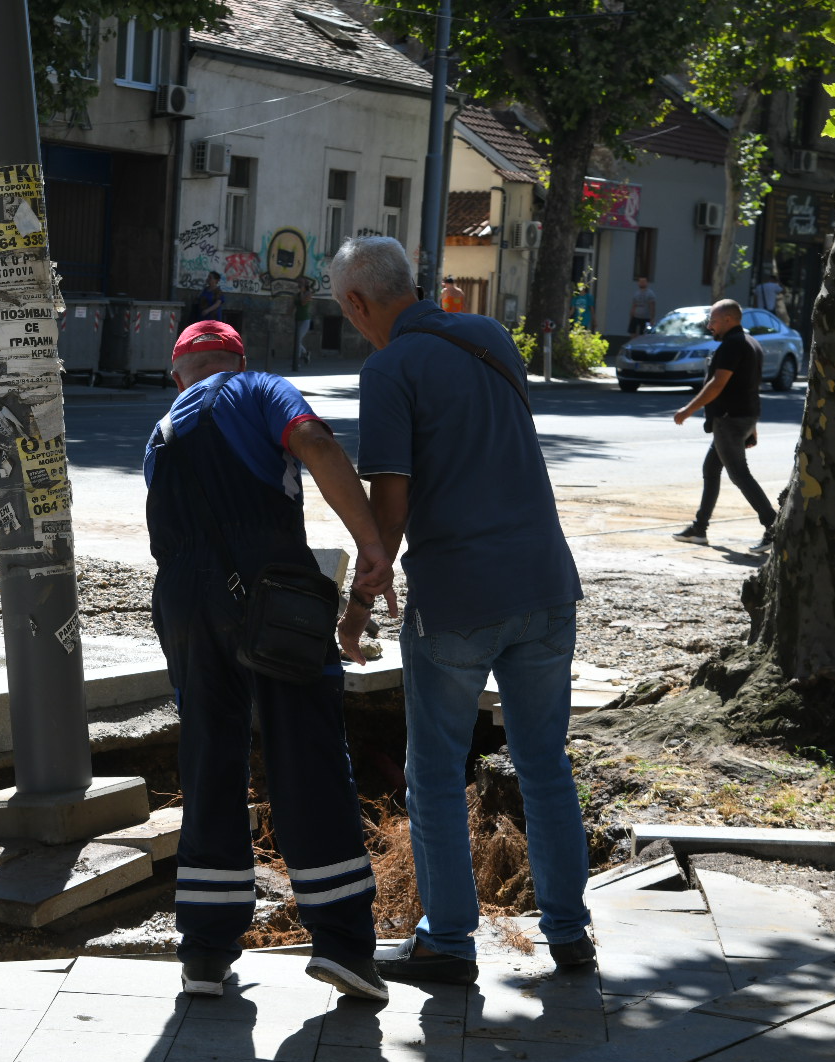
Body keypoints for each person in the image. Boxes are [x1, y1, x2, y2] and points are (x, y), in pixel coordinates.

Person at [329, 235, 594, 986]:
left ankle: (447, 940)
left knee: (437, 772)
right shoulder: (486, 335)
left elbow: (390, 503)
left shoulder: (387, 370)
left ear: (356, 303)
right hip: (545, 584)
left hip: (458, 599)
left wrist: (356, 605)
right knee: (545, 763)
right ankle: (570, 934)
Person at [144, 319, 397, 1003]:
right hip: (274, 603)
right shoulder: (258, 388)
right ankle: (343, 944)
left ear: (178, 374)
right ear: (237, 359)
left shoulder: (161, 433)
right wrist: (371, 544)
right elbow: (313, 440)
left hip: (186, 610)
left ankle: (204, 952)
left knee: (208, 764)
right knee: (308, 756)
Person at [672, 299, 778, 553]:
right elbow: (750, 387)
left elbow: (717, 384)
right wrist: (752, 425)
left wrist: (688, 410)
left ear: (729, 320)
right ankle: (699, 529)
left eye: (713, 320)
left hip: (730, 420)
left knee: (739, 474)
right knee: (711, 469)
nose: (710, 325)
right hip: (740, 418)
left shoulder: (733, 345)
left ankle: (774, 527)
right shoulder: (751, 343)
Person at [293, 279, 314, 365]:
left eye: (301, 284)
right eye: (299, 284)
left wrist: (301, 293)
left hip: (305, 320)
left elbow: (303, 303)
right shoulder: (297, 294)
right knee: (296, 340)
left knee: (298, 340)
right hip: (297, 319)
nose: (299, 286)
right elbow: (294, 304)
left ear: (305, 286)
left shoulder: (308, 294)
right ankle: (305, 353)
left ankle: (296, 362)